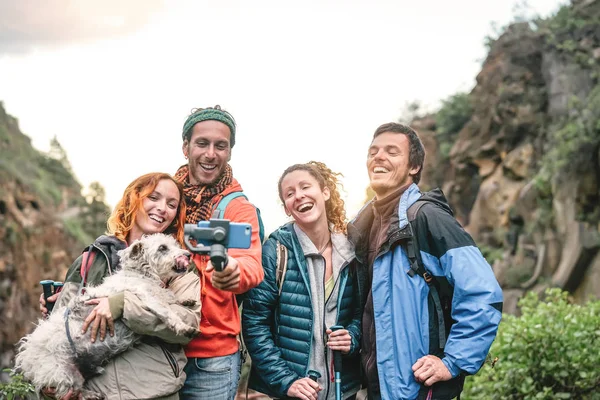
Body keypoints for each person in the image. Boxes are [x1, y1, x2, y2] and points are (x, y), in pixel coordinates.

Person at [347, 123, 503, 400]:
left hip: (418, 389)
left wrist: (452, 361)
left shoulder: (427, 218)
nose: (378, 157)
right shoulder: (362, 226)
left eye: (391, 151)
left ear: (413, 167)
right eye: (373, 151)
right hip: (374, 389)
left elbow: (482, 293)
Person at [40, 172, 201, 399]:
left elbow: (187, 325)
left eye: (171, 204)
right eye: (153, 197)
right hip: (93, 391)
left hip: (152, 392)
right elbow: (59, 323)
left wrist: (122, 304)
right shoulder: (93, 257)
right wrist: (50, 386)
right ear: (134, 199)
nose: (162, 208)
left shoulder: (179, 265)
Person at [242, 161, 363, 400]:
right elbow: (255, 324)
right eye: (290, 194)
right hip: (292, 392)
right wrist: (288, 381)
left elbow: (364, 311)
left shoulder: (352, 251)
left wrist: (354, 336)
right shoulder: (276, 251)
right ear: (287, 208)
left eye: (305, 187)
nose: (299, 196)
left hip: (344, 389)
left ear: (325, 192)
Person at [174, 105, 264, 400]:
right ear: (185, 146)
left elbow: (250, 263)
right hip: (155, 349)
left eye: (220, 146)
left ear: (229, 152)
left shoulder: (237, 207)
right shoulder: (166, 198)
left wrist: (233, 272)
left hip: (211, 360)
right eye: (202, 143)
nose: (211, 154)